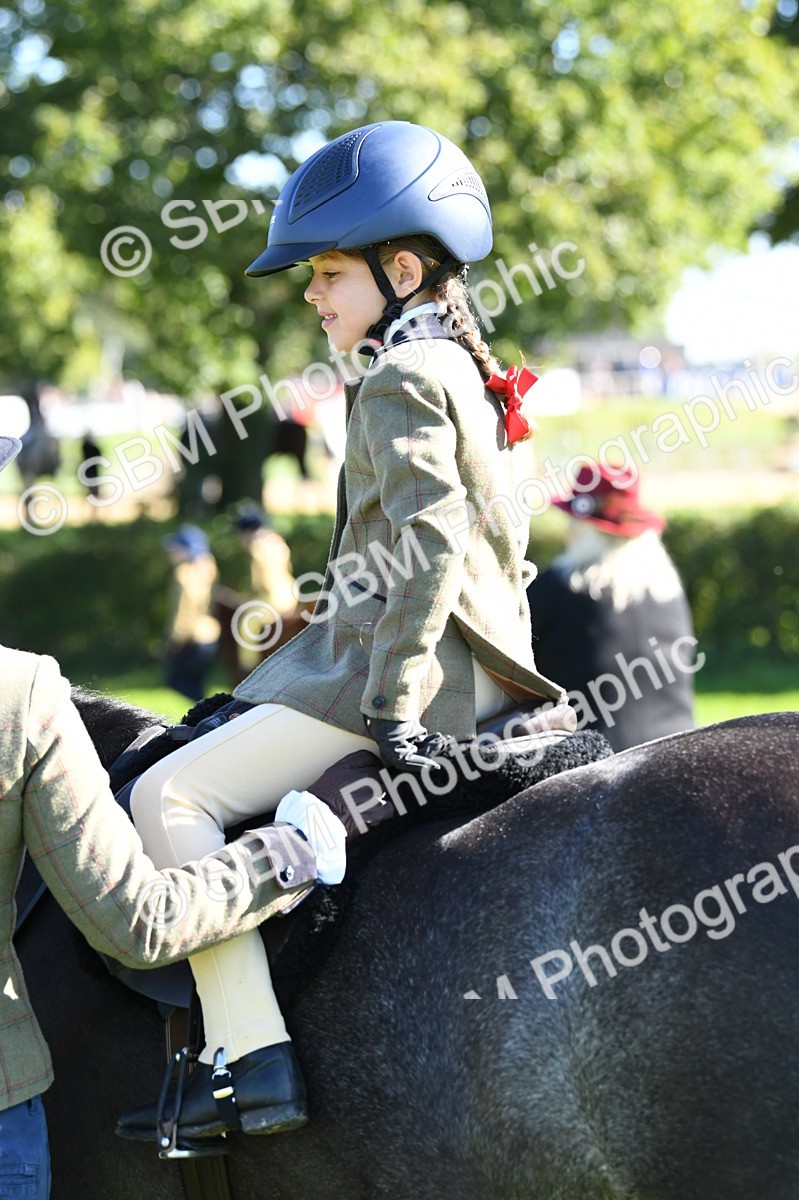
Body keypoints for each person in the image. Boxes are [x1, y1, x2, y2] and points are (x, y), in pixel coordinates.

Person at [119, 120, 567, 1142]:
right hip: (485, 674)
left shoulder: (399, 378)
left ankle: (249, 1055)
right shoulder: (459, 365)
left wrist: (392, 706)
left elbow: (433, 545)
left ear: (401, 267)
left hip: (409, 680)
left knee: (165, 790)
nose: (313, 297)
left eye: (328, 274)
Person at [0, 433, 350, 1198]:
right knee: (172, 794)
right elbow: (139, 923)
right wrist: (285, 853)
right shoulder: (19, 694)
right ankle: (256, 1051)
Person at [527, 463, 697, 751]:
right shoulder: (669, 592)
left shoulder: (557, 589)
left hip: (595, 759)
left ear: (581, 526)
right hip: (678, 749)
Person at [161, 524, 221, 702]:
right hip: (210, 636)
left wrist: (173, 641)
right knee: (197, 687)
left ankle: (208, 720)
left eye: (176, 548)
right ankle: (207, 719)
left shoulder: (184, 574)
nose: (171, 552)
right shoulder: (208, 569)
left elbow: (183, 612)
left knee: (175, 681)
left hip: (193, 639)